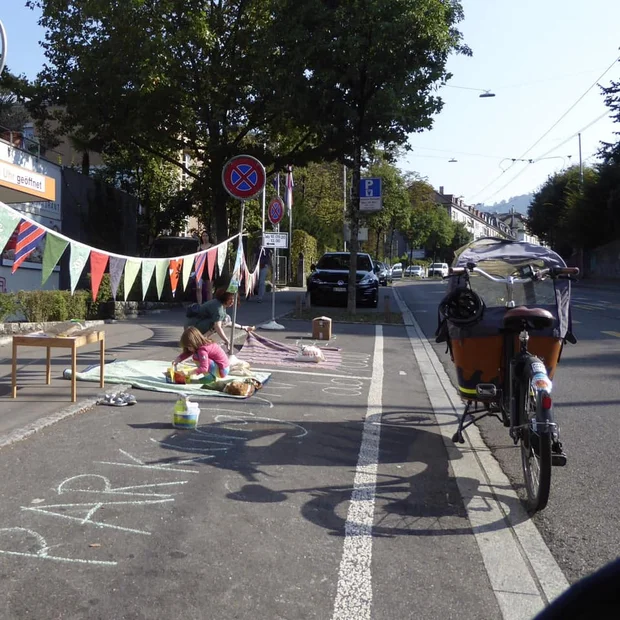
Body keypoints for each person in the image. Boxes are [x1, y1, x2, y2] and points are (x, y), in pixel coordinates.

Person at [186, 288, 255, 351]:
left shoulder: (219, 304)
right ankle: (201, 340)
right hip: (194, 326)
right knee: (221, 322)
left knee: (226, 318)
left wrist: (243, 327)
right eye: (230, 299)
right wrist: (227, 341)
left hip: (193, 325)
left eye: (234, 299)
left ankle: (201, 338)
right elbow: (218, 326)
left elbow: (228, 322)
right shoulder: (218, 308)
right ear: (225, 298)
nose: (232, 302)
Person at [196, 231, 213, 305]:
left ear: (209, 237)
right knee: (198, 288)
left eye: (206, 236)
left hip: (209, 269)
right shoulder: (199, 247)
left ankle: (209, 306)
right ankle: (199, 306)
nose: (205, 237)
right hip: (200, 269)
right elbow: (196, 258)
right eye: (203, 236)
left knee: (209, 290)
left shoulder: (212, 246)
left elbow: (214, 258)